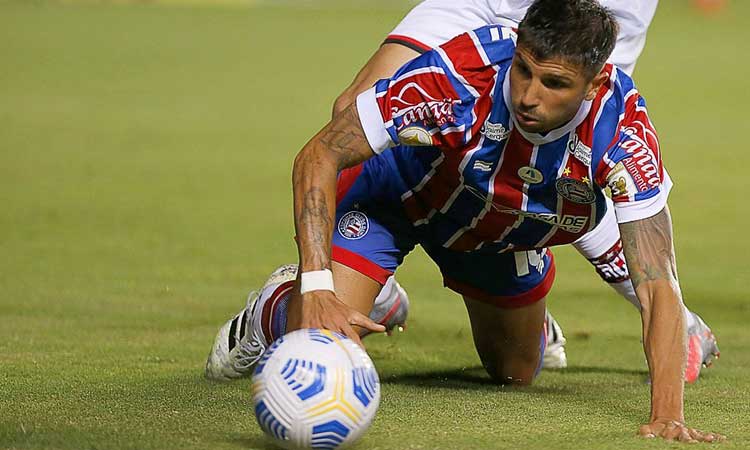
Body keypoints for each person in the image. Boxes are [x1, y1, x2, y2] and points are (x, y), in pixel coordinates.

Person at [206, 0, 725, 441]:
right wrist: (317, 283)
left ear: (593, 87)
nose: (527, 95)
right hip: (395, 198)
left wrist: (667, 415)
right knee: (320, 335)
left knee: (516, 372)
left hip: (492, 234)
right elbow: (319, 153)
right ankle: (282, 305)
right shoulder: (461, 76)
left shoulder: (624, 134)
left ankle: (498, 287)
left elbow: (658, 283)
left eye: (553, 83)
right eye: (523, 71)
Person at [329, 0, 718, 380]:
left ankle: (676, 321)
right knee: (356, 109)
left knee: (564, 164)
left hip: (589, 14)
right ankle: (373, 281)